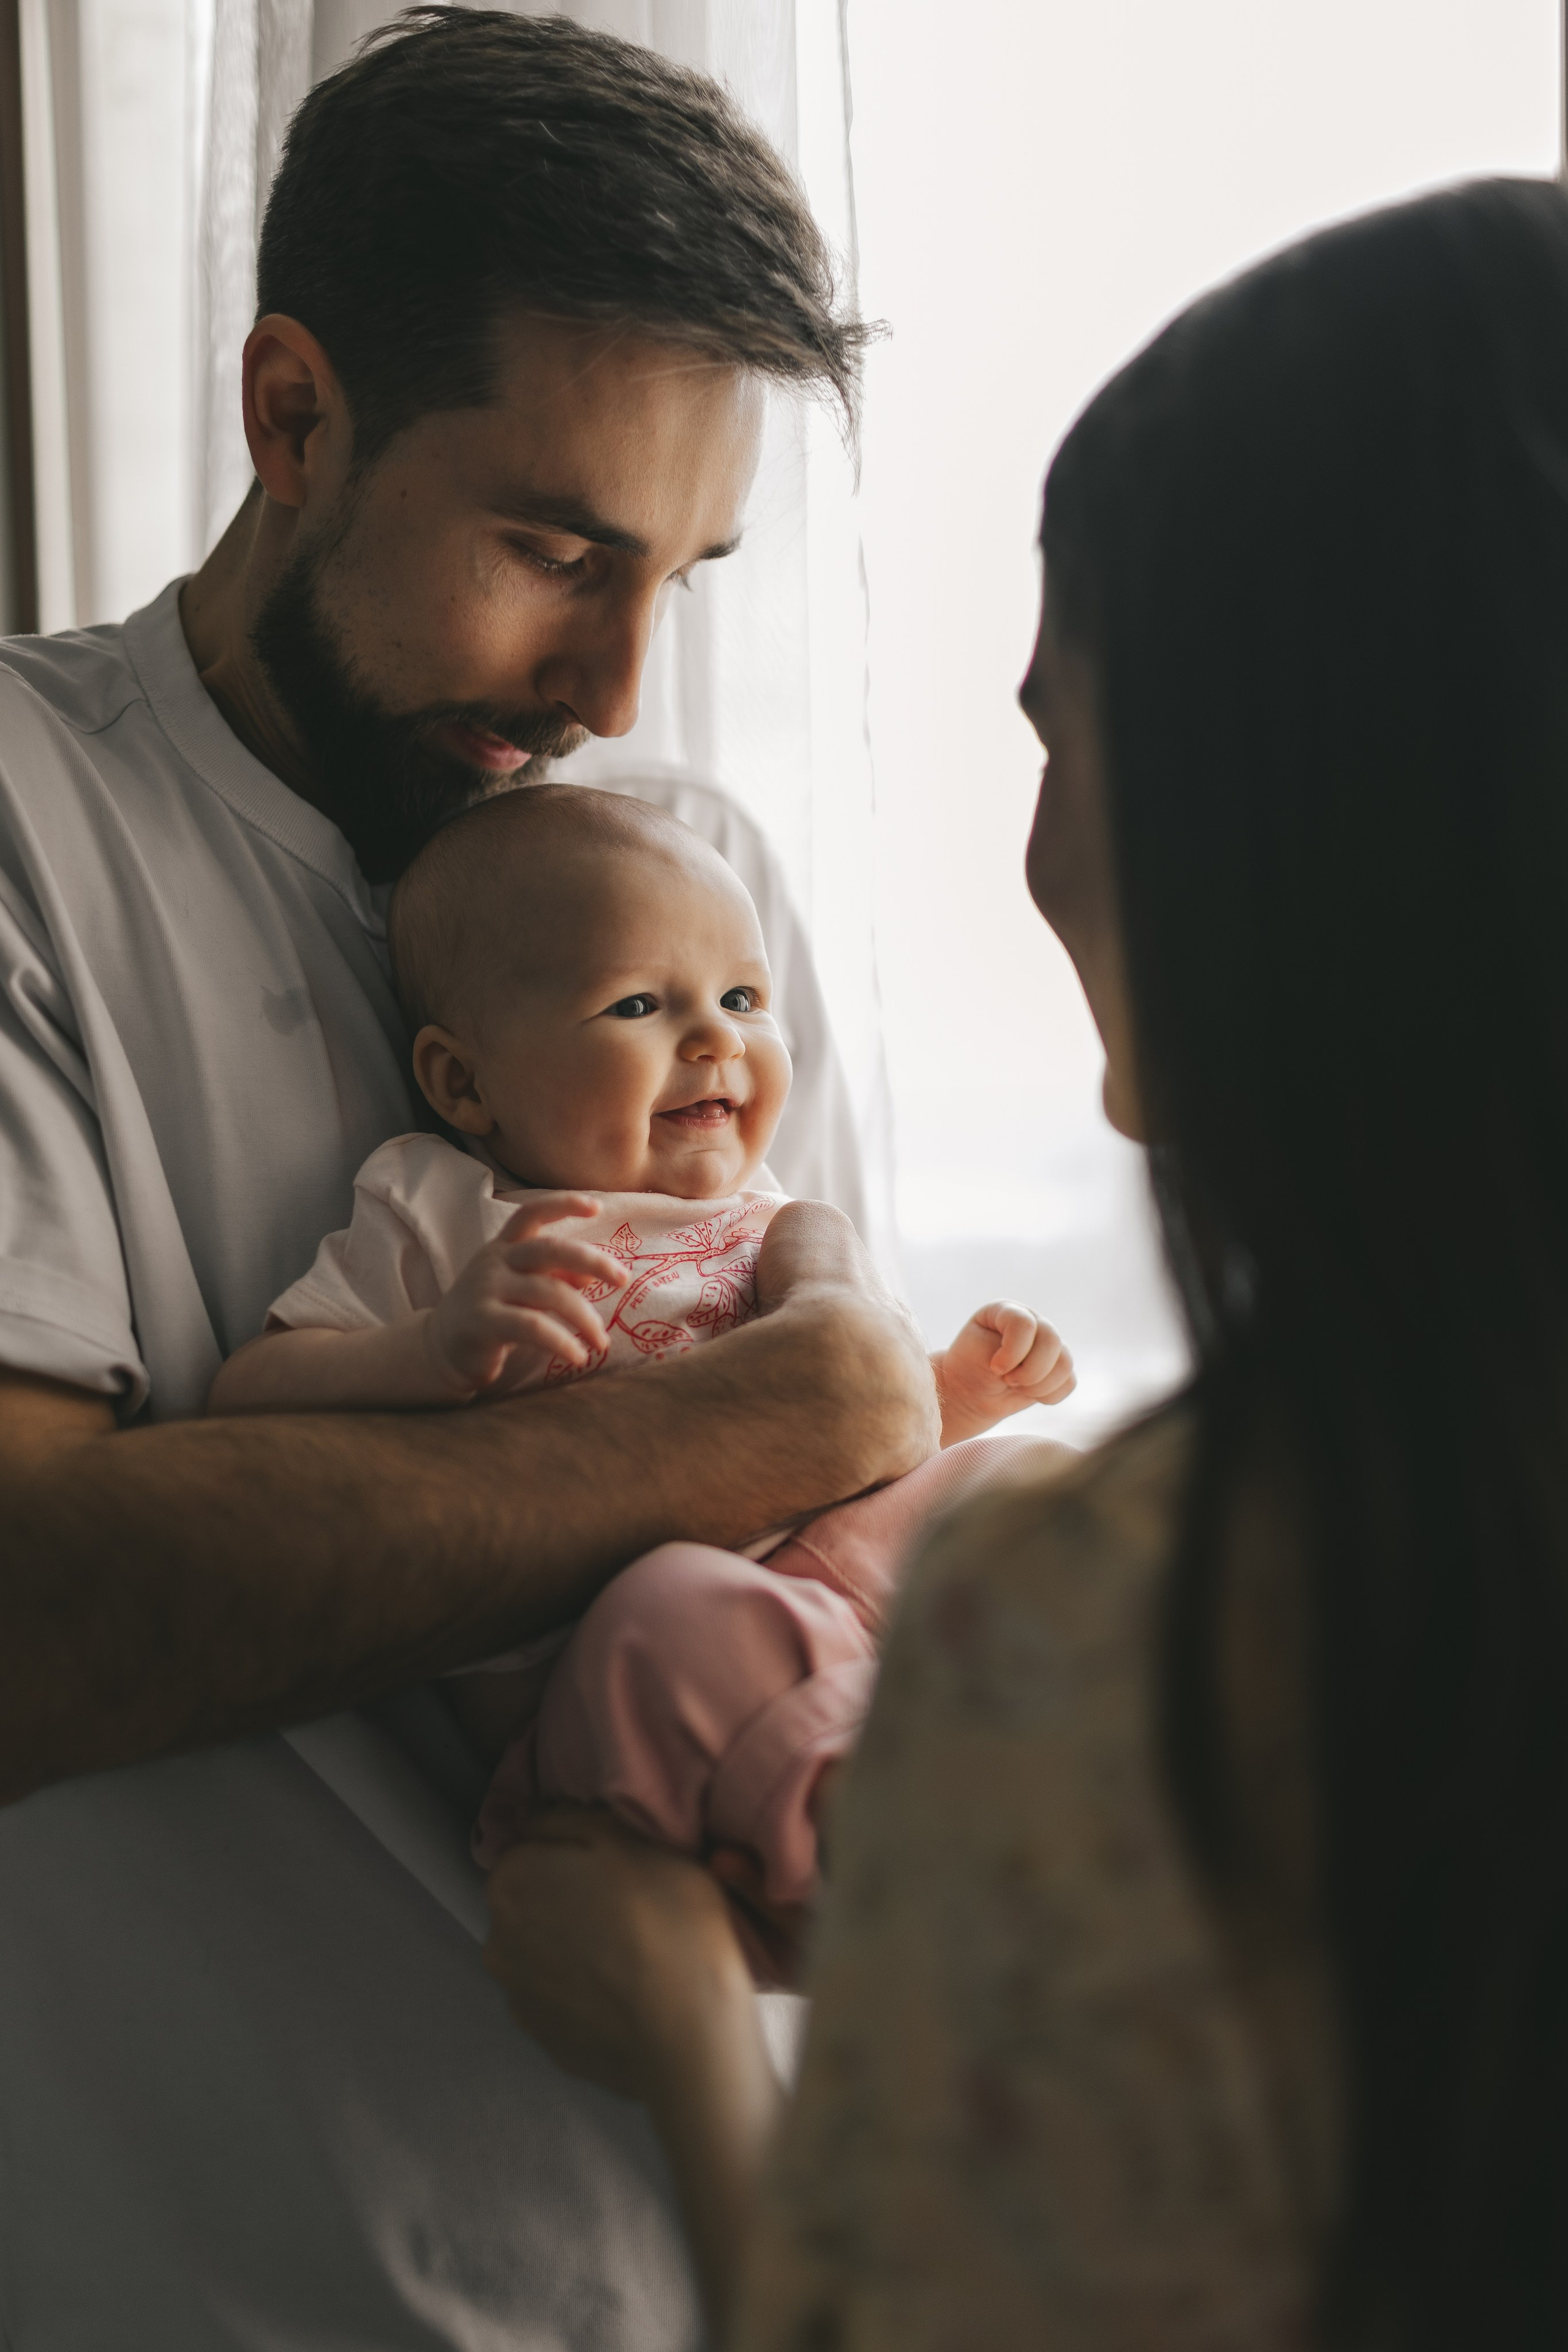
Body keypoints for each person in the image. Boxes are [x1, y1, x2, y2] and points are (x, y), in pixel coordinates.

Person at [484, 176, 1568, 2350]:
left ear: (1252, 816)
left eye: (1054, 731)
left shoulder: (1116, 1646)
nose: (1042, 835)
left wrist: (689, 2028)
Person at [0, 12, 938, 2346]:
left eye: (684, 579)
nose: (620, 684)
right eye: (552, 551)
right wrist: (747, 1422)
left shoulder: (678, 865)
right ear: (292, 416)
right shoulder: (26, 828)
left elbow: (849, 1511)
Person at [209, 782, 1076, 1914]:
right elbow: (246, 1395)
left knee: (1032, 1491)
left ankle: (1098, 1748)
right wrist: (427, 1349)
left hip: (825, 1597)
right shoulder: (444, 1209)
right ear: (464, 1081)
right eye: (636, 1007)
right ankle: (893, 1862)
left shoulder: (776, 1223)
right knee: (684, 1616)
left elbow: (862, 1435)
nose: (716, 1037)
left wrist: (955, 1398)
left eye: (740, 996)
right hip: (605, 1683)